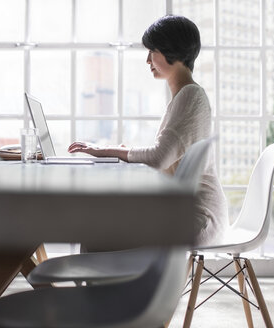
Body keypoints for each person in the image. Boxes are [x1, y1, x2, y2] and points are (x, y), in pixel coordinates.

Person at [68, 15, 228, 246]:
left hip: (199, 218)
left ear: (170, 50)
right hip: (187, 211)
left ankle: (106, 280)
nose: (147, 60)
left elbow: (159, 158)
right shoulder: (184, 97)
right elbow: (165, 155)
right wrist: (121, 151)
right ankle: (106, 280)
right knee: (103, 221)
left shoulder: (191, 96)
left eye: (152, 51)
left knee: (102, 223)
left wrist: (107, 151)